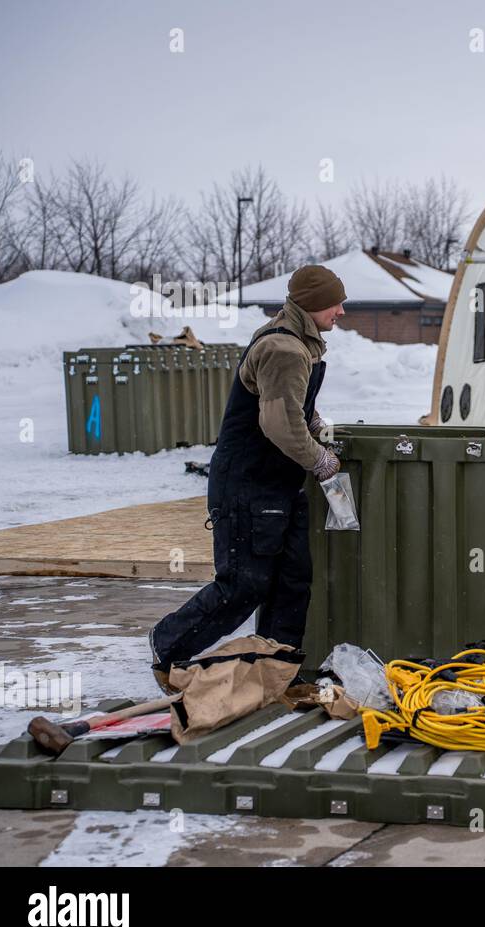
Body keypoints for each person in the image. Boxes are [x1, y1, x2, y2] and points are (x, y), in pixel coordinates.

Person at [148, 265, 345, 691]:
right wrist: (320, 460)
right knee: (244, 584)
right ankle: (168, 644)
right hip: (249, 485)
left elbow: (292, 407)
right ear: (312, 305)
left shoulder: (298, 344)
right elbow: (279, 425)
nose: (342, 311)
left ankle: (277, 670)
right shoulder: (284, 349)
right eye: (335, 303)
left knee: (291, 581)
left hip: (279, 485)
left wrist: (316, 425)